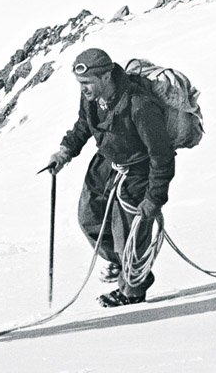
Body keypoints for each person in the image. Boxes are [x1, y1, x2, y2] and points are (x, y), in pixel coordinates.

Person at [45, 47, 175, 307]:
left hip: (138, 171)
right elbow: (84, 124)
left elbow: (162, 155)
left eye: (87, 82)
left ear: (106, 77)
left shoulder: (140, 106)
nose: (83, 88)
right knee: (89, 218)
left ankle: (132, 291)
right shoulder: (92, 98)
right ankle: (120, 261)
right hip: (106, 163)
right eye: (80, 83)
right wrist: (65, 150)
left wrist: (154, 198)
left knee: (129, 234)